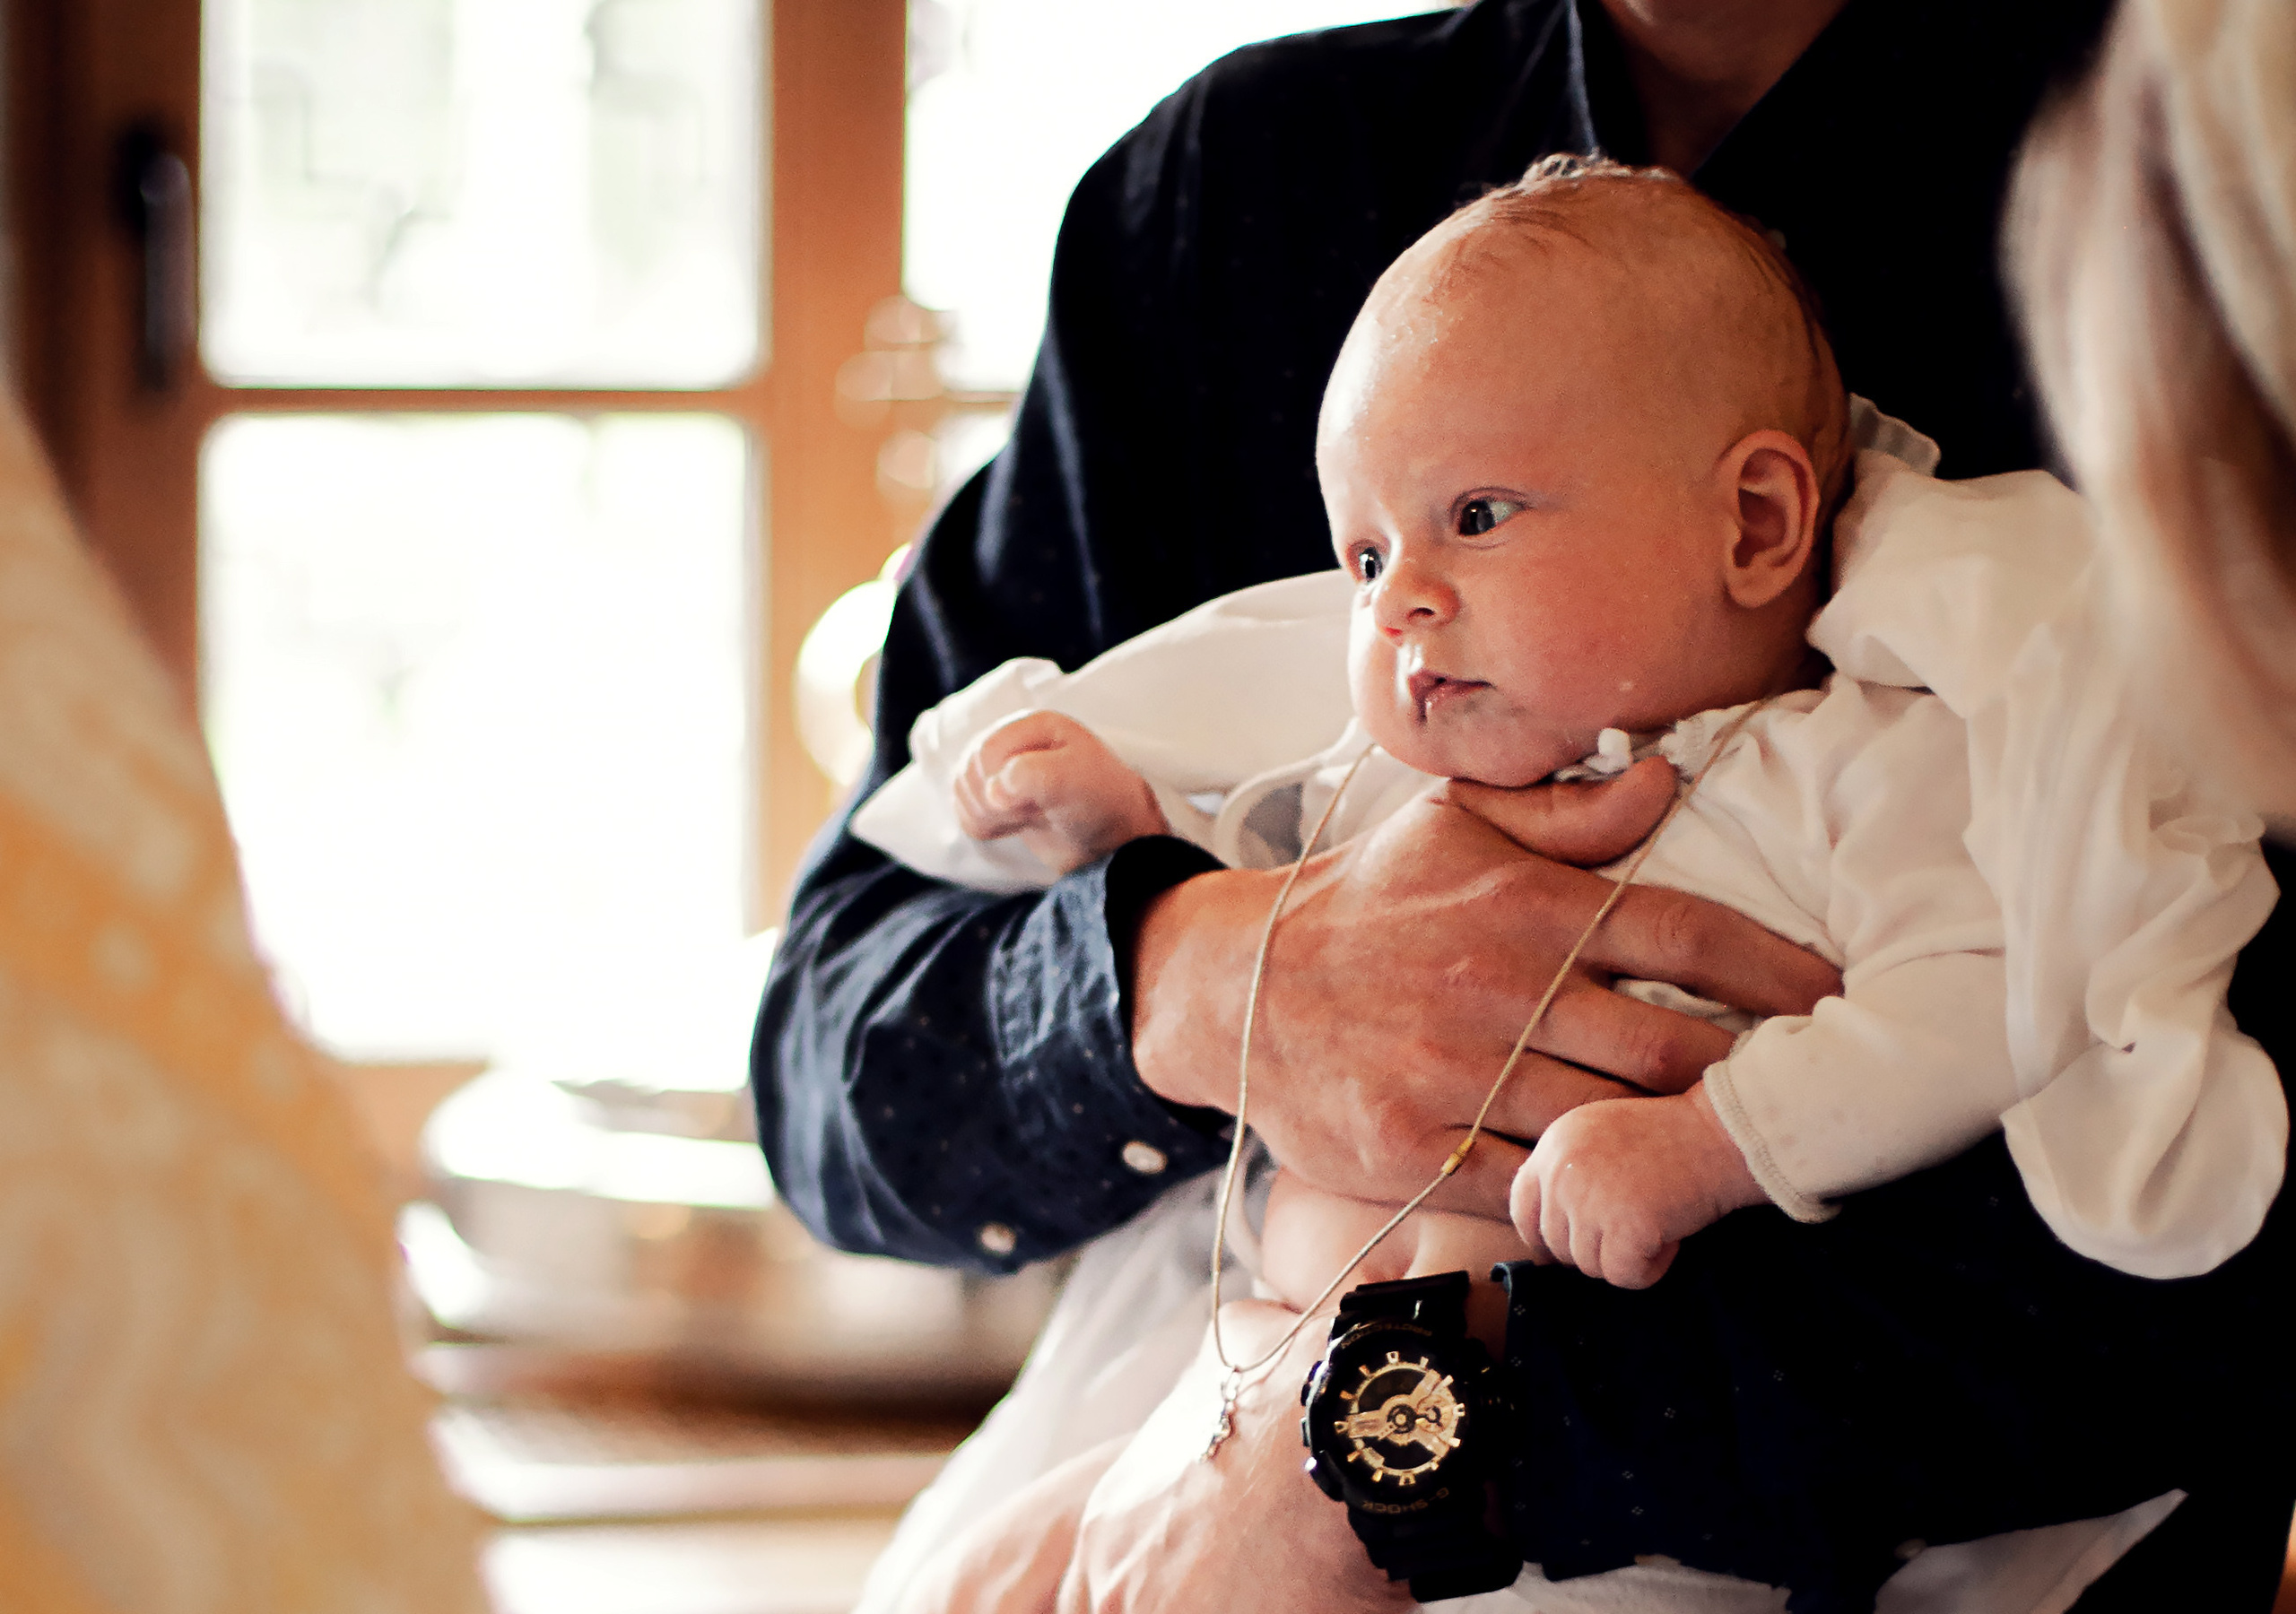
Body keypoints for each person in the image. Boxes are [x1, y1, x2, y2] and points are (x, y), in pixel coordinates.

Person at [754, 0, 2296, 1604]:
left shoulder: (2225, 175)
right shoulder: (1235, 193)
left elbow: (2206, 1205)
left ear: (1768, 517)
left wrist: (1381, 1444)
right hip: (1195, 1390)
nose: (1400, 607)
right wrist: (1203, 968)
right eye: (1363, 559)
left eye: (1479, 519)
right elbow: (837, 1064)